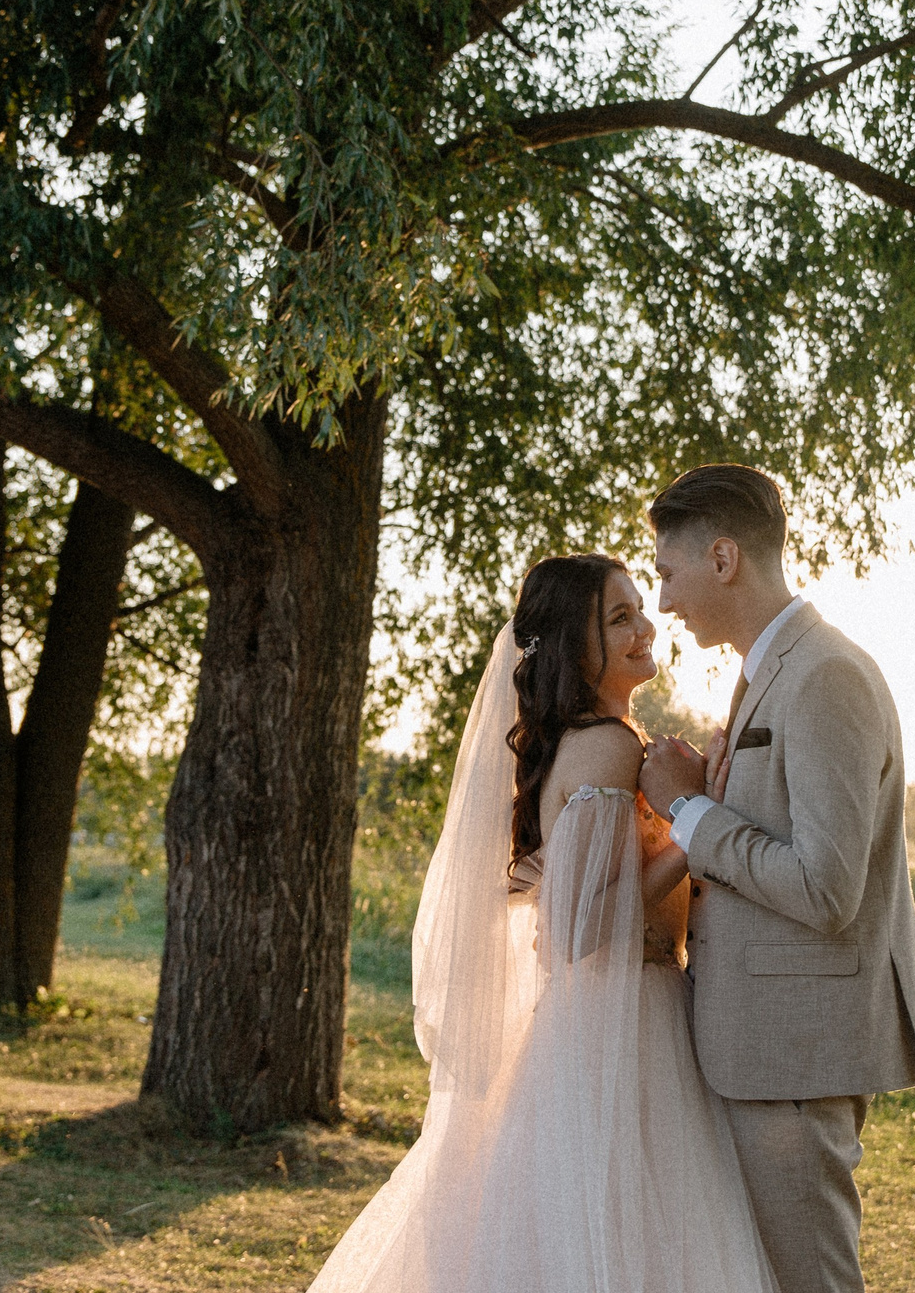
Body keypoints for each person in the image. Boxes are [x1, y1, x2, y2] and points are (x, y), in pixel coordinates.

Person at [307, 553, 778, 1293]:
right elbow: (582, 926)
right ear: (573, 647)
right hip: (623, 1024)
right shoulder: (610, 745)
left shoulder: (602, 738)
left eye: (638, 609)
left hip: (603, 1019)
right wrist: (694, 827)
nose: (644, 626)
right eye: (618, 617)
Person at [638, 463, 915, 1293]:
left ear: (723, 557)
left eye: (667, 574)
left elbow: (825, 886)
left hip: (794, 1053)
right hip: (760, 1048)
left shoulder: (826, 677)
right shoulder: (767, 671)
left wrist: (687, 814)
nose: (663, 601)